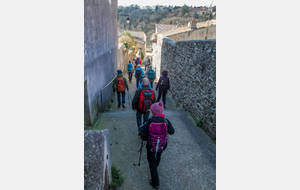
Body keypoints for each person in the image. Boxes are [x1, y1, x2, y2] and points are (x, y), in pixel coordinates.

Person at [140, 101, 175, 189]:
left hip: (151, 145)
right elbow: (172, 132)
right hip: (162, 145)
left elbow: (143, 136)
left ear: (152, 111)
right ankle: (154, 169)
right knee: (158, 157)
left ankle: (155, 182)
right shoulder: (166, 121)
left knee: (151, 161)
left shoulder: (149, 121)